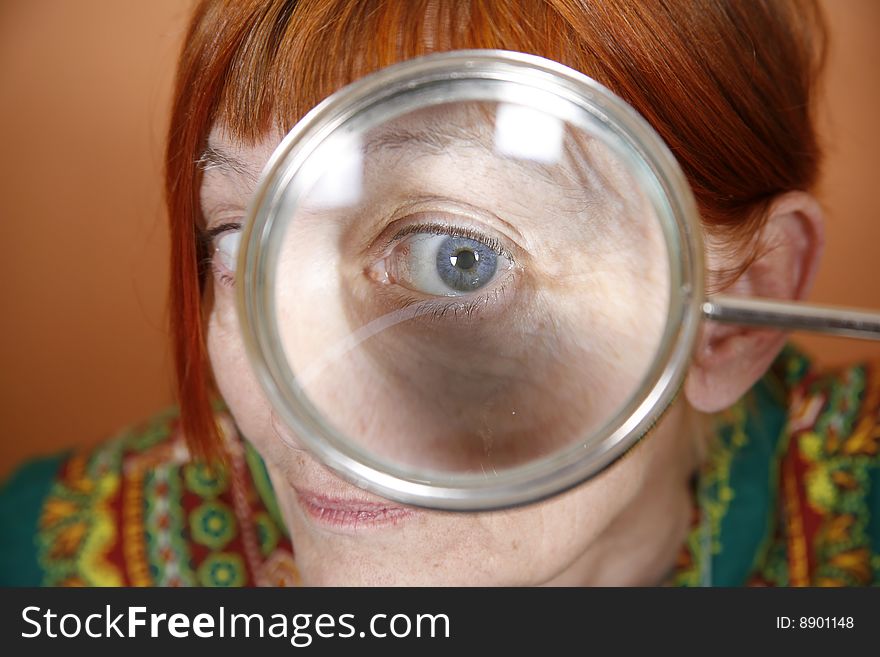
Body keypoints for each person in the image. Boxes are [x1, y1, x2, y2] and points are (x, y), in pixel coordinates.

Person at [2, 0, 878, 587]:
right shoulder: (47, 558)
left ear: (736, 309)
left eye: (458, 258)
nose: (284, 396)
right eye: (239, 241)